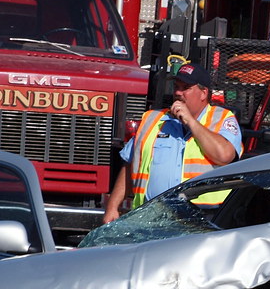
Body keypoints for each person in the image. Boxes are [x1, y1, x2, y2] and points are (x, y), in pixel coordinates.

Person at [103, 62, 242, 223]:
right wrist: (113, 206)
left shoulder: (221, 118)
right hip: (150, 215)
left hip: (201, 217)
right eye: (176, 86)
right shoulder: (153, 119)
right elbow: (129, 164)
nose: (177, 92)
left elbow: (224, 155)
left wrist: (190, 121)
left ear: (203, 93)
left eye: (185, 88)